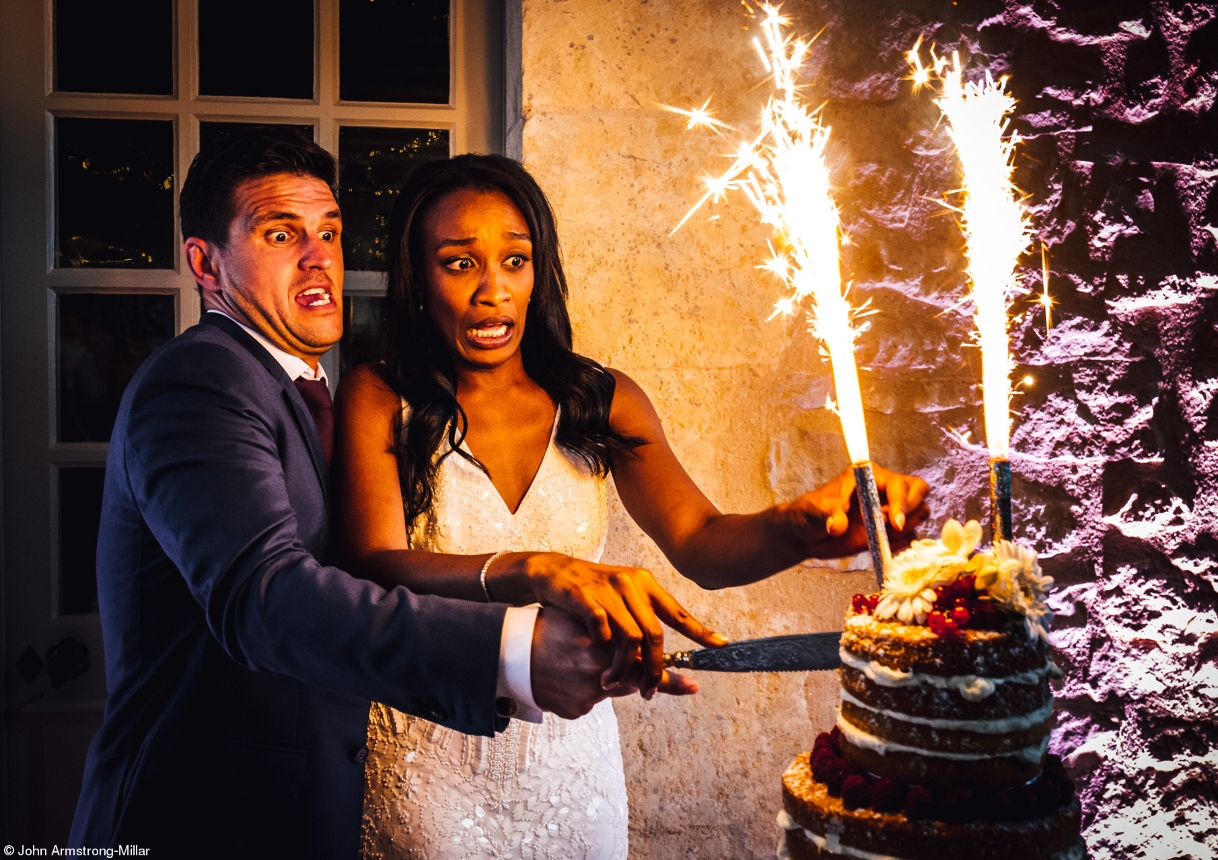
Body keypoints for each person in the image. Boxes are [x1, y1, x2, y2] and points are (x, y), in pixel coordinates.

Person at [69, 129, 710, 860]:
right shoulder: (201, 381)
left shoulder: (307, 393)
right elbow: (266, 595)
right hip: (204, 818)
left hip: (315, 811)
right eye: (281, 234)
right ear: (204, 264)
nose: (319, 257)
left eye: (331, 233)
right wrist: (513, 647)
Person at [331, 154, 931, 859]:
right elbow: (370, 565)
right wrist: (532, 568)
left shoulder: (603, 398)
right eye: (460, 264)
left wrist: (795, 528)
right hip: (435, 754)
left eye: (515, 260)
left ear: (539, 270)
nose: (493, 292)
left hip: (574, 765)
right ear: (419, 279)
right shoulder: (379, 395)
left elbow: (701, 540)